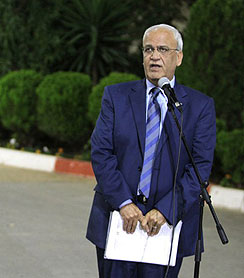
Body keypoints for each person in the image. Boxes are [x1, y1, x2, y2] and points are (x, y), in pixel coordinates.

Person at [86, 24, 216, 277]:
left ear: (178, 57)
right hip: (118, 220)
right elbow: (101, 152)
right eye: (148, 49)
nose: (154, 56)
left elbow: (199, 167)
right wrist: (124, 202)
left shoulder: (199, 106)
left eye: (163, 49)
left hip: (165, 228)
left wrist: (166, 210)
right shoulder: (116, 96)